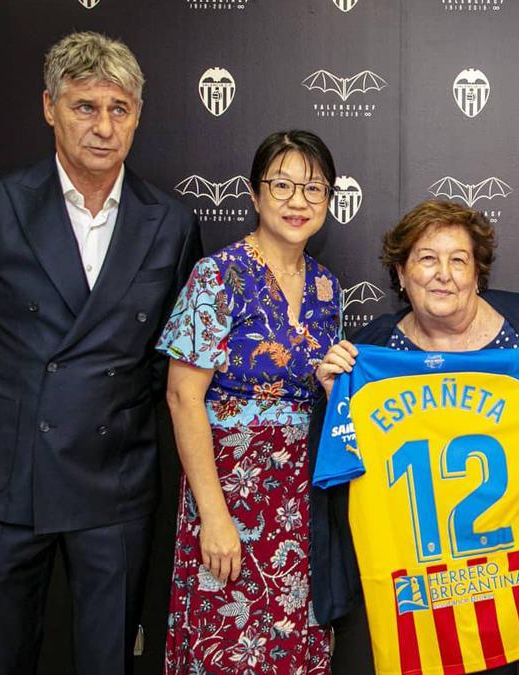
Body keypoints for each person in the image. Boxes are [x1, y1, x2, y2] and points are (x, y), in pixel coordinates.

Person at [0, 32, 202, 674]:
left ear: (137, 115)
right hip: (6, 475)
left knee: (109, 660)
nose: (103, 127)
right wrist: (22, 406)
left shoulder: (171, 221)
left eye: (120, 108)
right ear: (50, 107)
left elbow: (173, 351)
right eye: (85, 107)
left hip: (116, 477)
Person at [310, 199, 519, 674]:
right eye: (426, 258)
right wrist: (337, 399)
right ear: (402, 275)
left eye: (458, 260)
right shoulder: (370, 354)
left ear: (478, 273)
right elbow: (344, 465)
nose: (442, 274)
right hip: (424, 587)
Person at [157, 130, 340, 674]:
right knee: (226, 644)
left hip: (301, 501)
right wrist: (212, 515)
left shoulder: (328, 288)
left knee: (295, 643)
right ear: (255, 195)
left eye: (313, 188)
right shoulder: (217, 276)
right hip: (229, 491)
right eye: (281, 185)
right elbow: (182, 396)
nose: (297, 201)